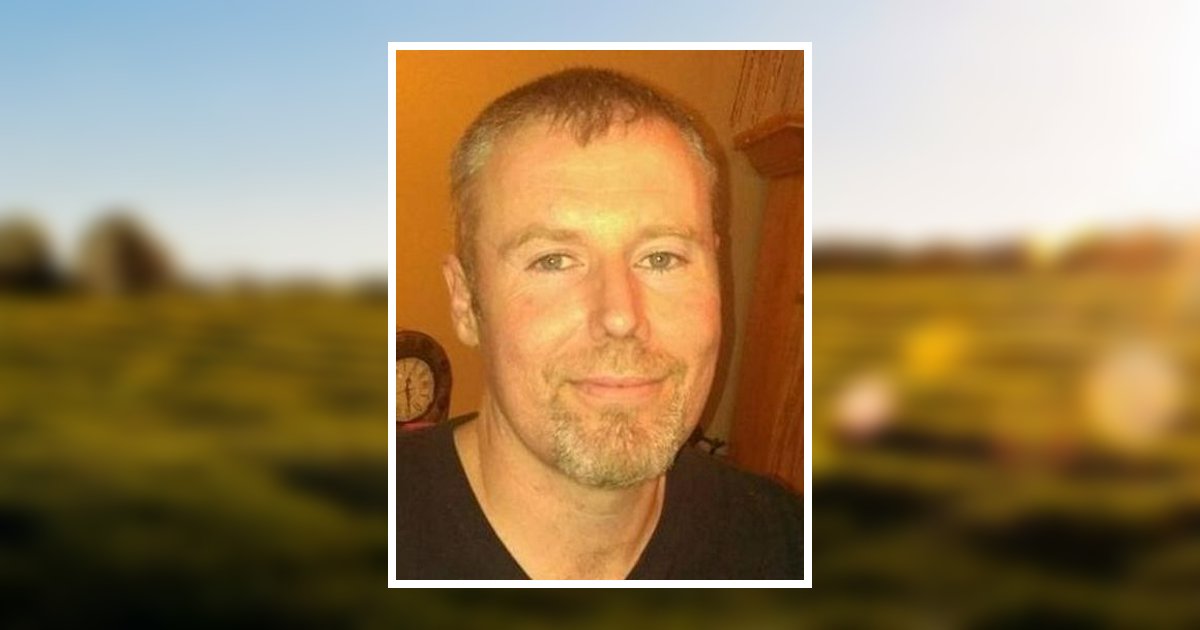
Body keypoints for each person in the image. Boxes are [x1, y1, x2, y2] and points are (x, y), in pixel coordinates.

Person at [395, 67, 803, 580]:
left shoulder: (786, 544)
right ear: (464, 302)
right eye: (553, 260)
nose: (621, 316)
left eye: (662, 258)